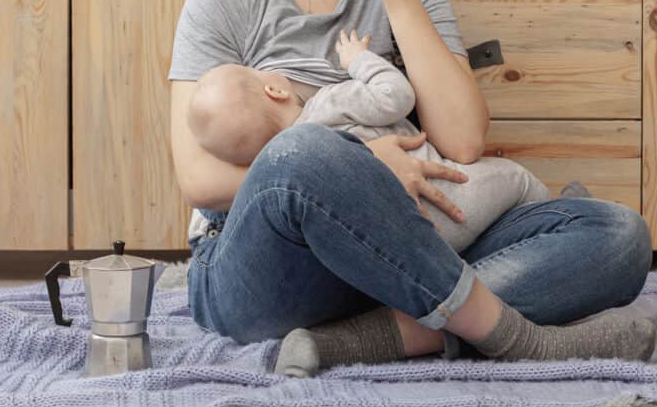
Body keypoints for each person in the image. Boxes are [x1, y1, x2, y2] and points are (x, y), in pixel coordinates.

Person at [168, 0, 655, 378]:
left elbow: (463, 142)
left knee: (617, 236)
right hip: (261, 268)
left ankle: (362, 340)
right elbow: (198, 175)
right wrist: (359, 175)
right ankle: (512, 335)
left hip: (397, 252)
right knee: (302, 151)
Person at [187, 28, 552, 253]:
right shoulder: (328, 104)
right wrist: (359, 60)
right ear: (274, 89)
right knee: (516, 179)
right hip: (447, 205)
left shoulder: (281, 170)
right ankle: (560, 216)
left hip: (394, 242)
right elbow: (397, 96)